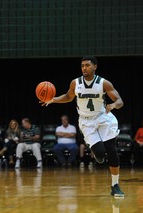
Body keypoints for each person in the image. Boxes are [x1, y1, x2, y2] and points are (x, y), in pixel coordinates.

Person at [42, 55, 125, 198]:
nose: (84, 68)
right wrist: (53, 100)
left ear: (95, 67)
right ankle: (99, 154)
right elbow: (68, 97)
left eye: (87, 65)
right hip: (86, 122)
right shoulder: (76, 83)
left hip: (103, 118)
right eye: (82, 66)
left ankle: (115, 185)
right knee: (99, 154)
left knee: (111, 150)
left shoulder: (104, 83)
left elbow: (119, 100)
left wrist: (113, 105)